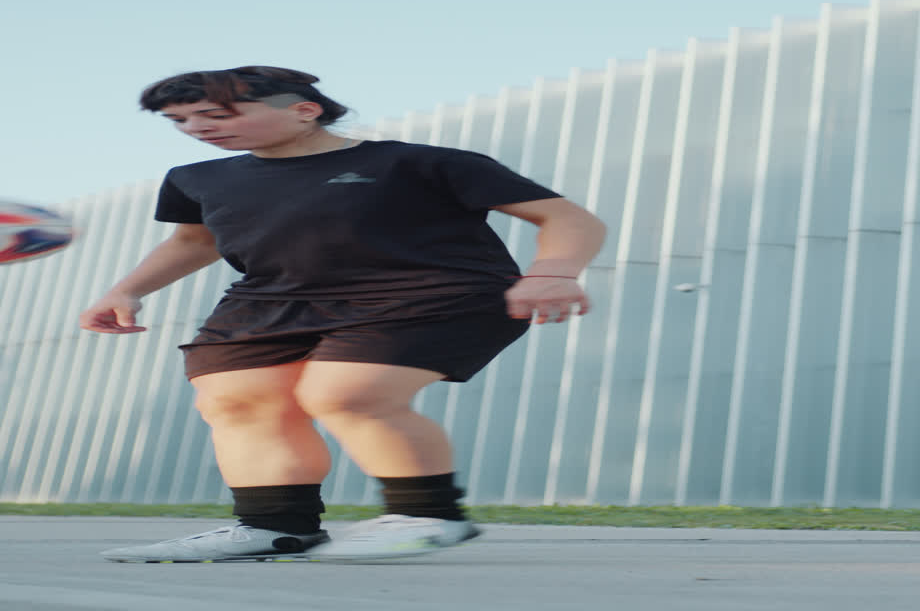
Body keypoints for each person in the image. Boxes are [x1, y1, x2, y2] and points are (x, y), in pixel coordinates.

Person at [78, 66, 607, 563]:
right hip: (270, 301)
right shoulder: (197, 178)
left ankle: (427, 517)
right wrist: (126, 290)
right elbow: (194, 242)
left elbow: (565, 217)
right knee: (237, 401)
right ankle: (274, 527)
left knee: (346, 394)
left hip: (431, 292)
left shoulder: (422, 162)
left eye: (216, 116)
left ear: (305, 110)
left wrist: (552, 272)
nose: (196, 130)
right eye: (181, 121)